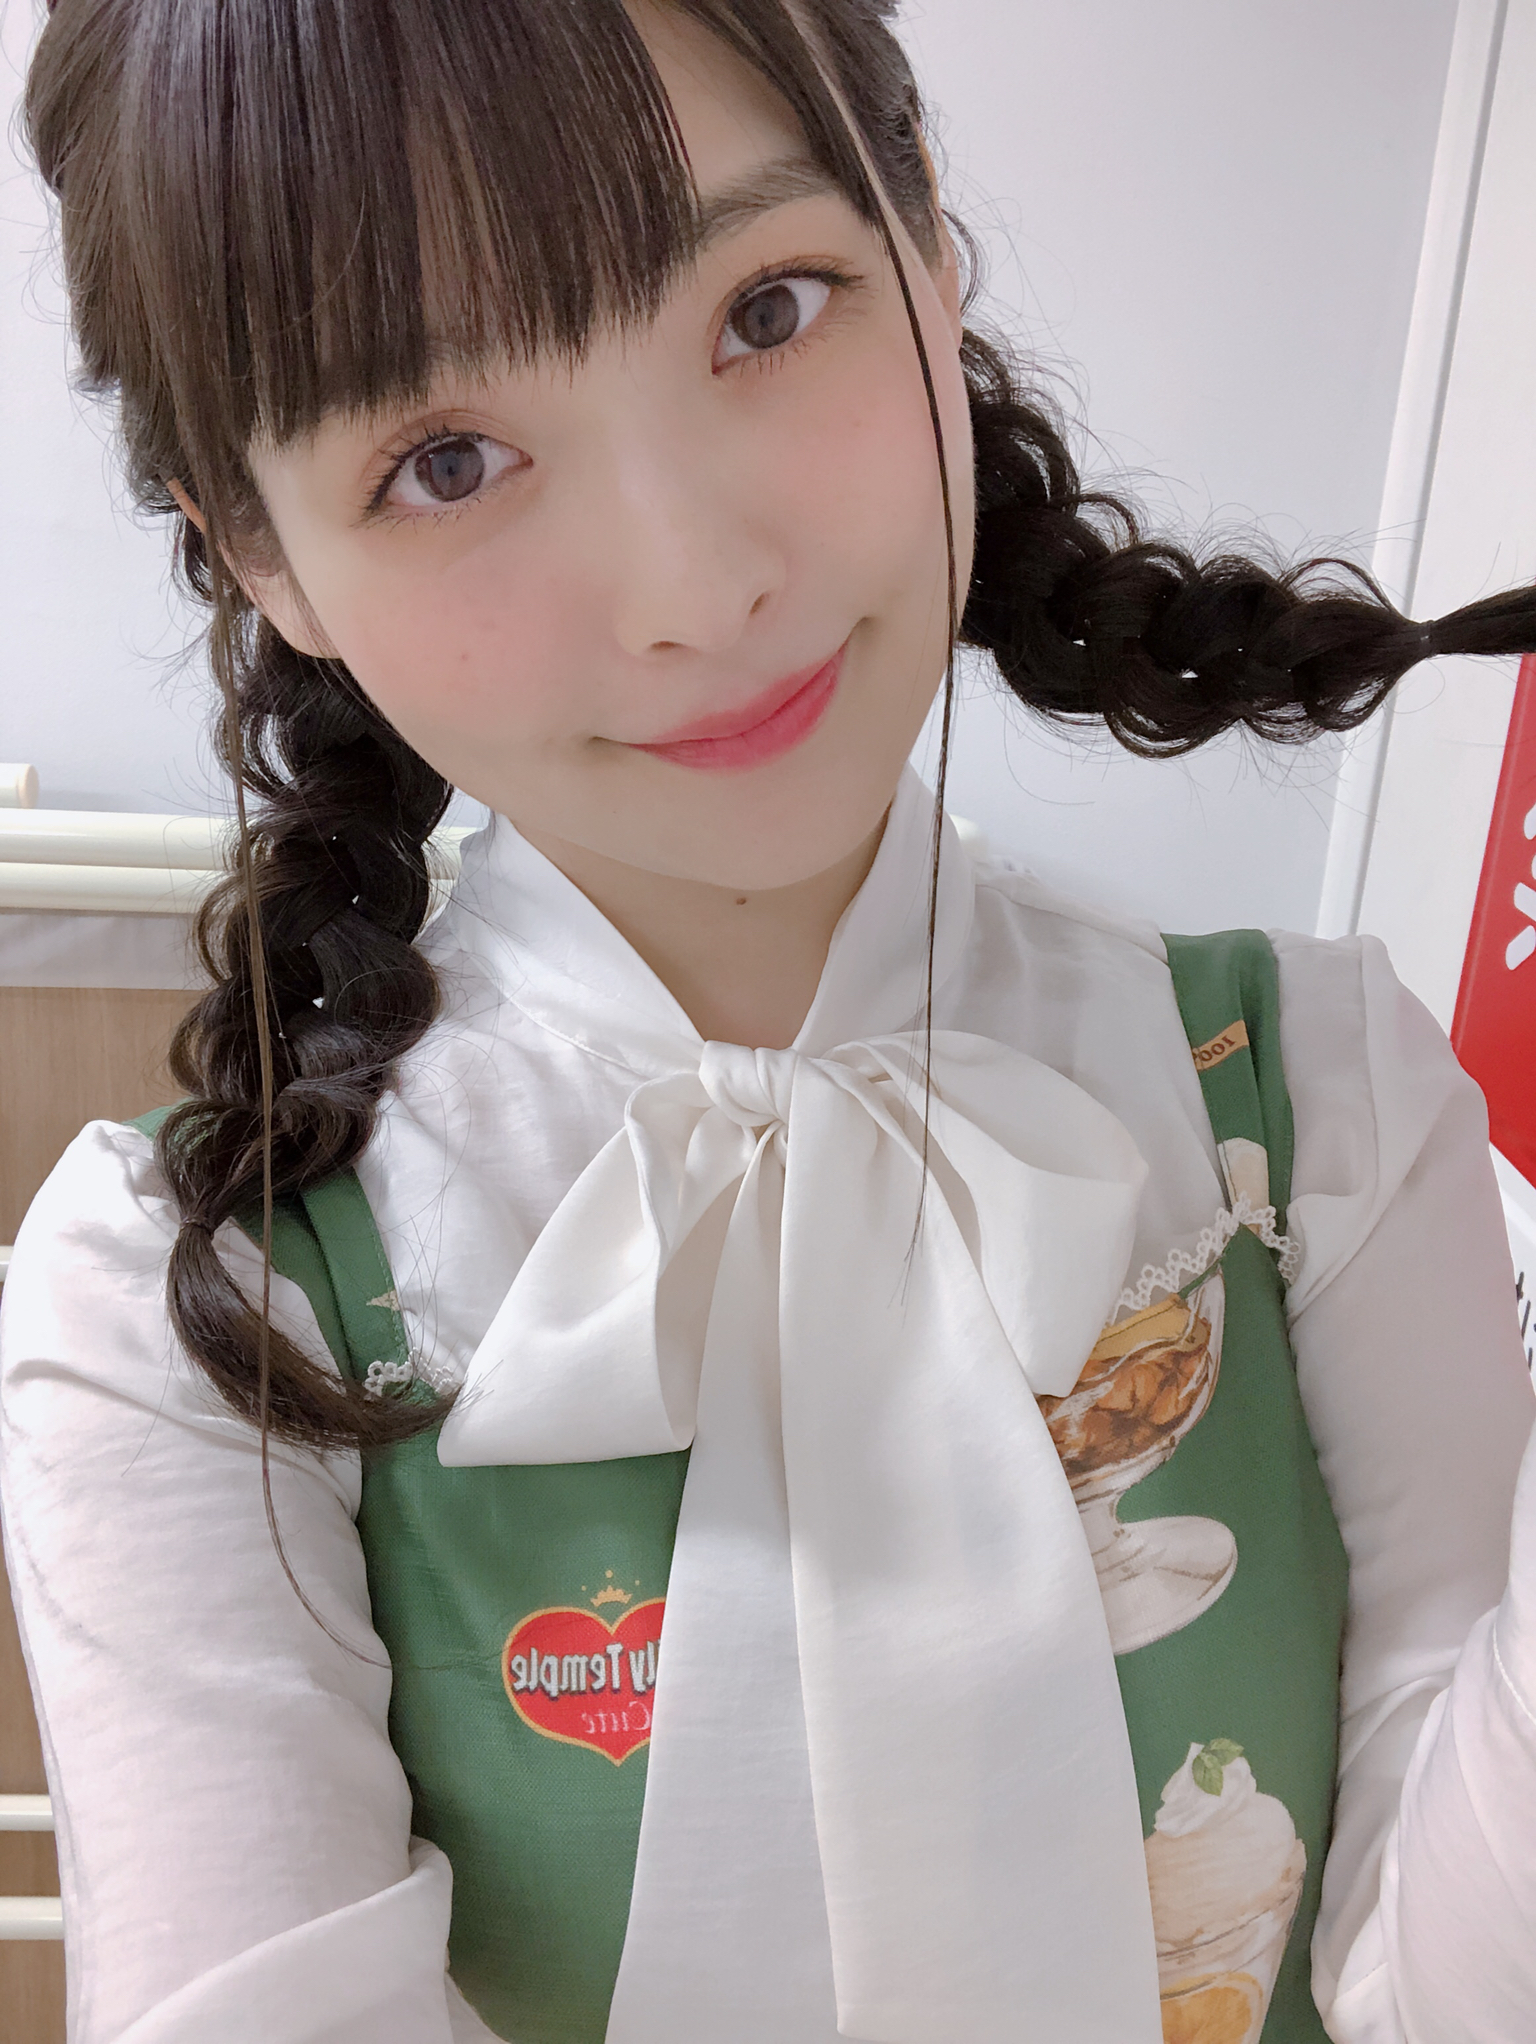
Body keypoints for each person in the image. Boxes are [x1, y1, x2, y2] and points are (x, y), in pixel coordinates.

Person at [3, 1, 1535, 2039]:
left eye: (765, 310)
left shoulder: (1324, 1101)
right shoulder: (194, 1311)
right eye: (445, 460)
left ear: (928, 237)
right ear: (261, 551)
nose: (697, 586)